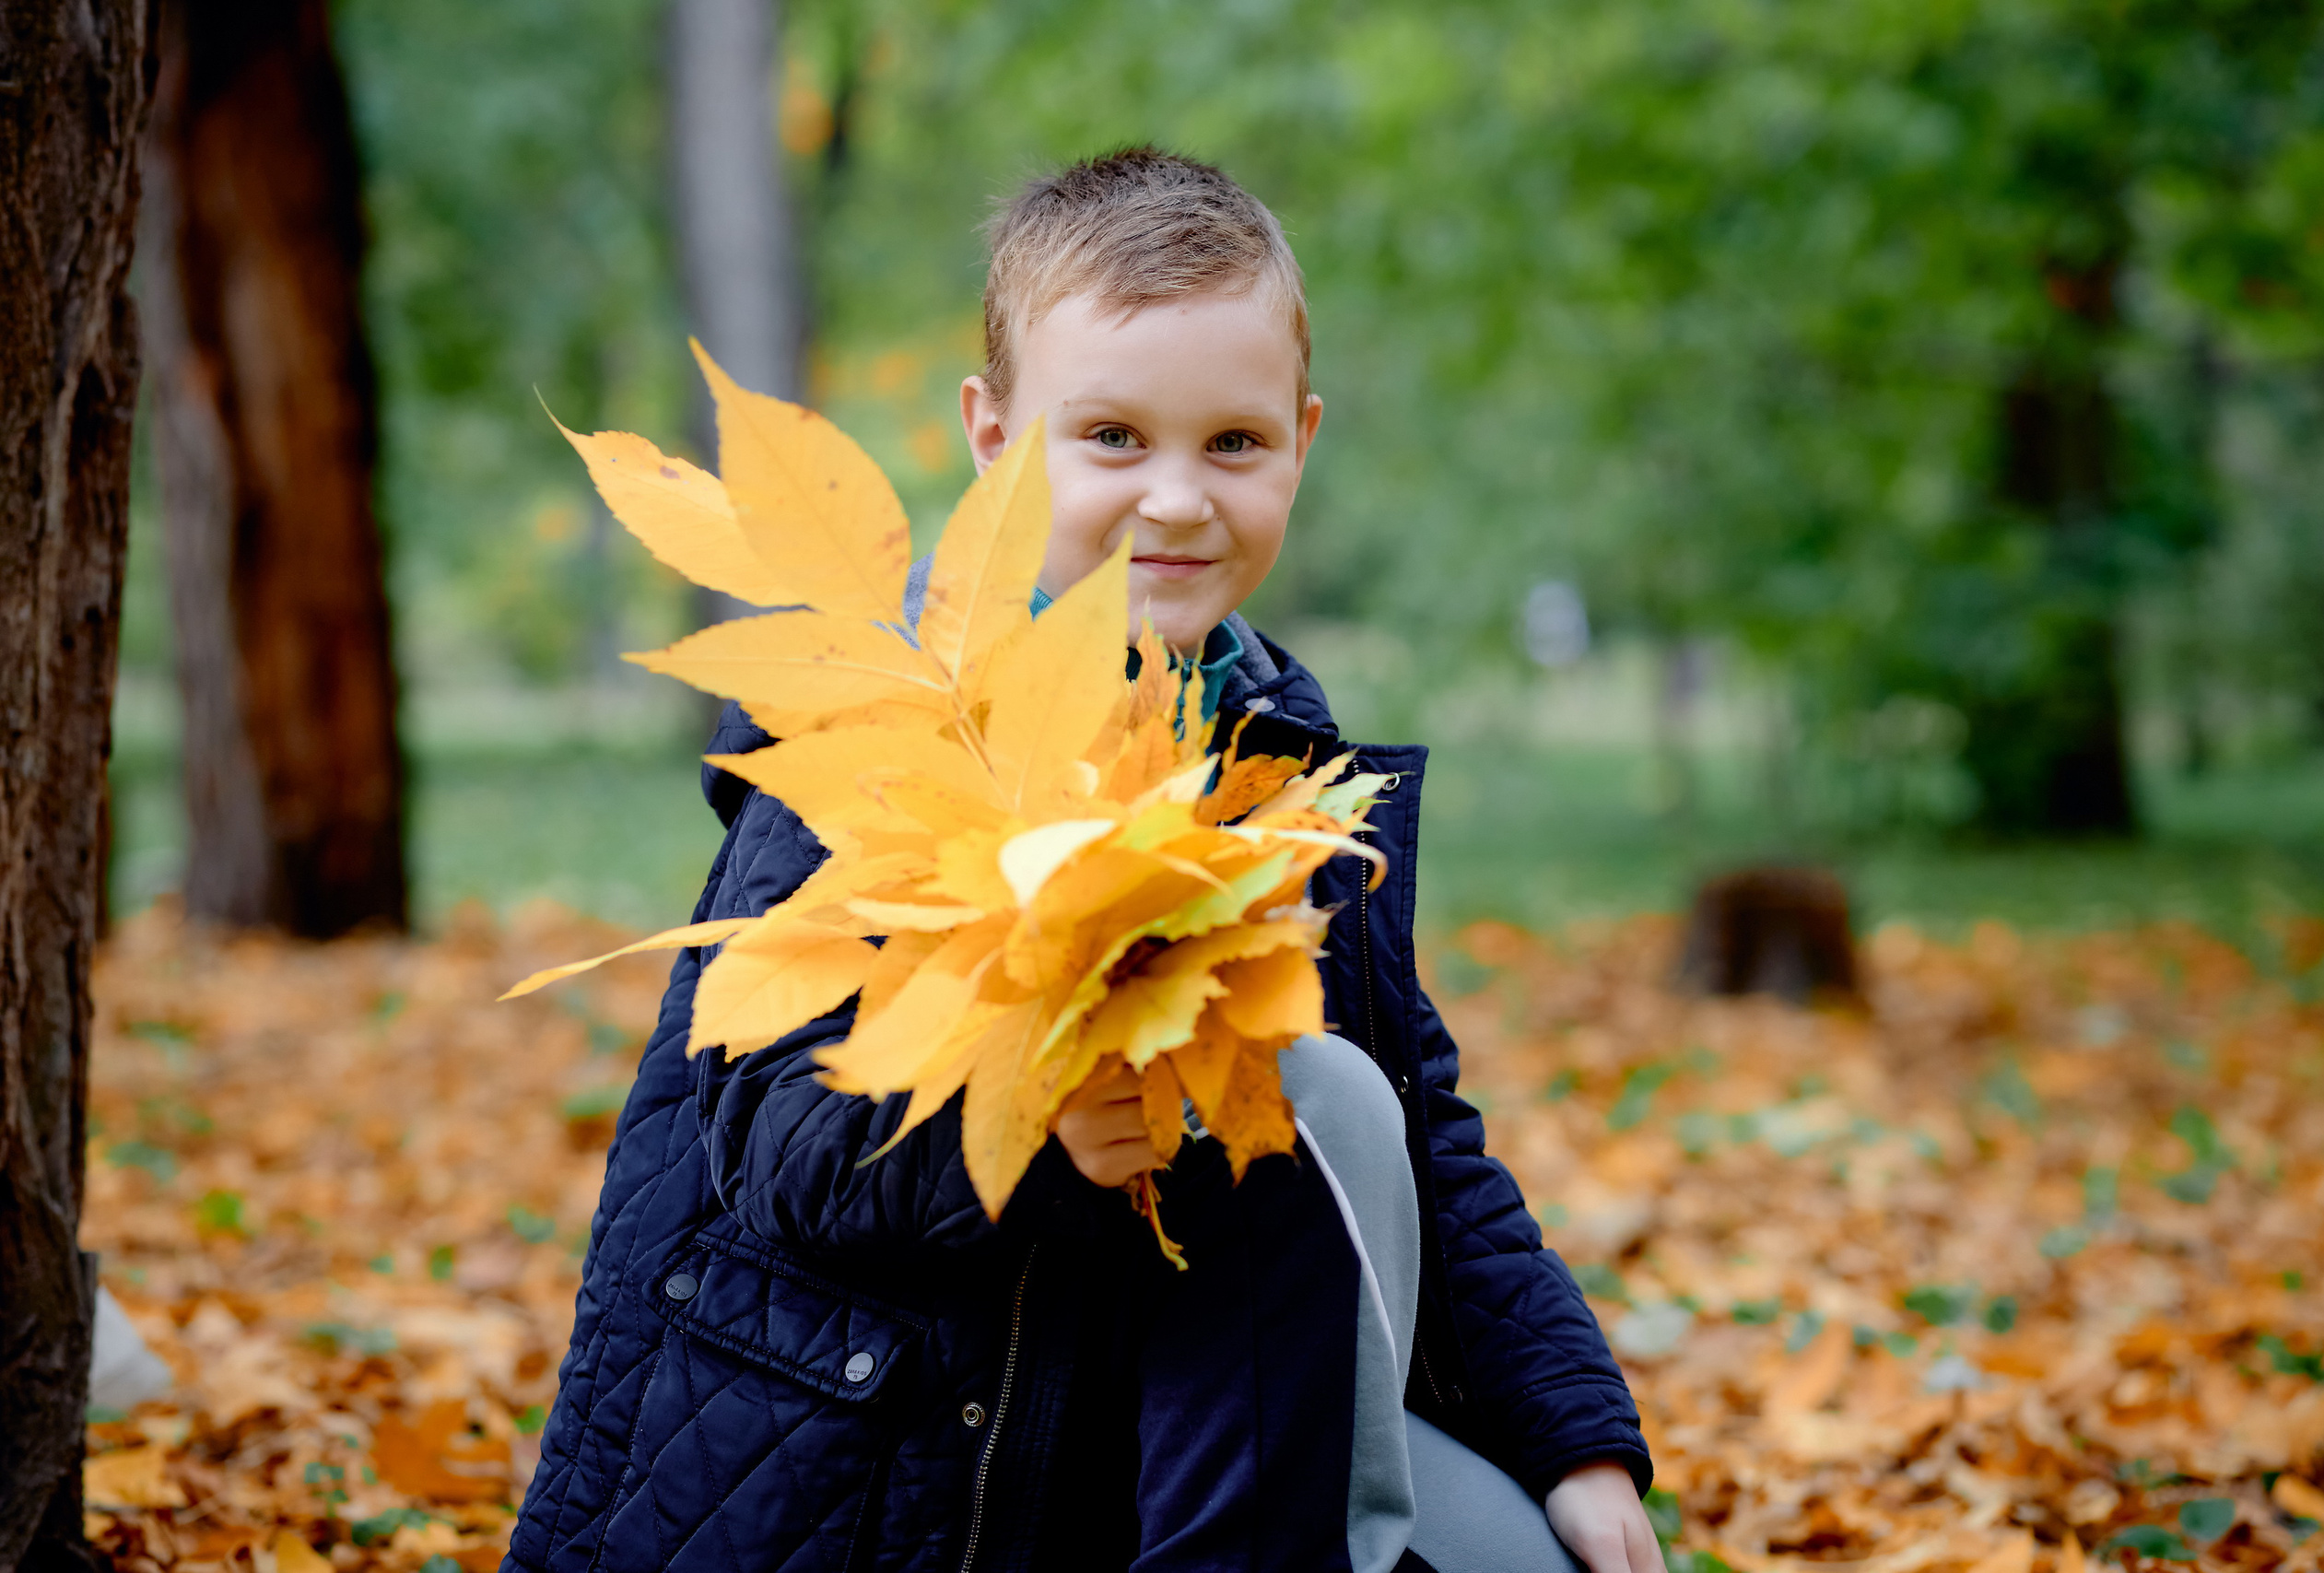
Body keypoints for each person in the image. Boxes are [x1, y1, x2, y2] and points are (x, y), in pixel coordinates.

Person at [506, 147, 1658, 1573]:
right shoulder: (889, 725)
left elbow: (1423, 1141)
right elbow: (773, 1135)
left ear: (1302, 438)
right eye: (1110, 437)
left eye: (1233, 445)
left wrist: (1573, 1431)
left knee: (1527, 1527)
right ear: (995, 438)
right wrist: (1034, 1144)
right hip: (896, 1452)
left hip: (1169, 1415)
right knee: (1305, 1089)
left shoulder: (1274, 763)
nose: (1176, 500)